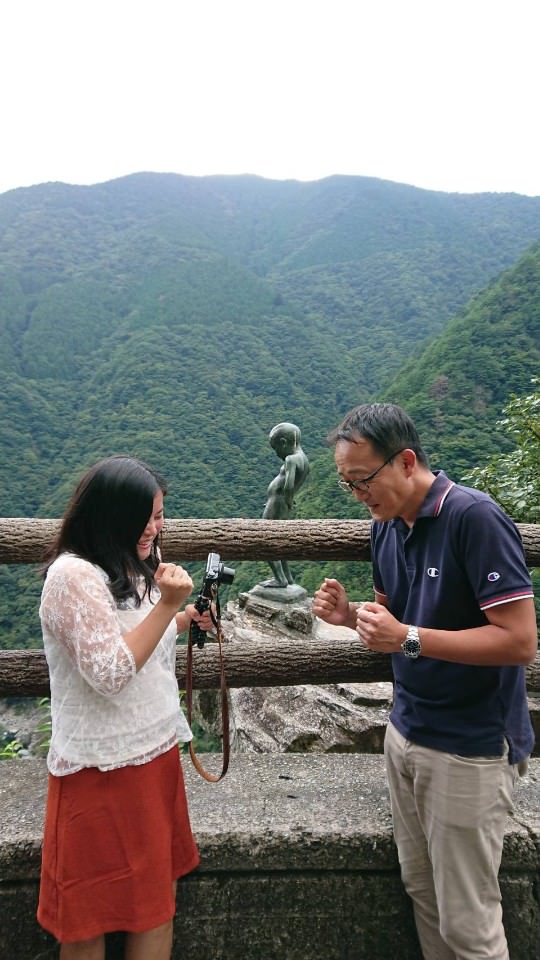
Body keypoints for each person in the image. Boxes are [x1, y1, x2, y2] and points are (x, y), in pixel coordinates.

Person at [313, 403, 537, 960]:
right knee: (423, 894)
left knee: (469, 923)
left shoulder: (473, 518)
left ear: (406, 461)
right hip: (406, 731)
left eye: (363, 480)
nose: (359, 495)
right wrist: (353, 618)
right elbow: (399, 617)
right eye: (348, 485)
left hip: (469, 745)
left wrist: (407, 637)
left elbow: (518, 641)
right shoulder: (386, 527)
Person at [37, 455, 214, 960]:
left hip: (152, 754)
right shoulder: (72, 577)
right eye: (149, 516)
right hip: (99, 769)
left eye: (161, 515)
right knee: (87, 919)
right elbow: (111, 672)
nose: (157, 528)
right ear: (112, 514)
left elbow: (135, 641)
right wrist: (165, 606)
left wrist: (182, 621)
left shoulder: (129, 563)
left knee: (156, 905)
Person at [260, 421, 309, 587]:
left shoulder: (290, 459)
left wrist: (287, 501)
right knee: (279, 542)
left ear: (283, 443)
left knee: (265, 541)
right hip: (281, 505)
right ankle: (287, 578)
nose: (276, 454)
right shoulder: (304, 459)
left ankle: (280, 579)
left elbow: (288, 485)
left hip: (278, 504)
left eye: (276, 449)